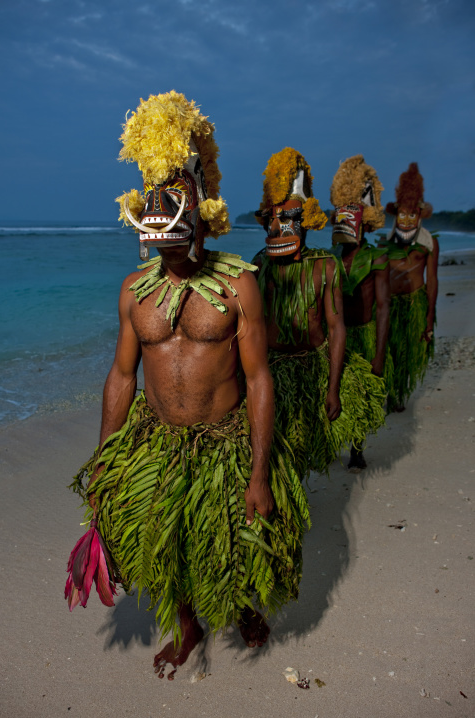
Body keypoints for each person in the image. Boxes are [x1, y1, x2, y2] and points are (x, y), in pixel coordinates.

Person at [68, 92, 309, 680]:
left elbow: (258, 378)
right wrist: (105, 459)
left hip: (224, 441)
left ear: (204, 211)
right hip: (157, 444)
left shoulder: (239, 287)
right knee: (170, 548)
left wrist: (257, 473)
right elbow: (122, 376)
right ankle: (189, 625)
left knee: (235, 541)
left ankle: (243, 606)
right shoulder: (133, 291)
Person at [253, 148, 386, 479]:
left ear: (306, 223)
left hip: (312, 365)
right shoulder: (259, 265)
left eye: (287, 220)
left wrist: (332, 386)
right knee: (274, 451)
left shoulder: (325, 266)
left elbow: (336, 327)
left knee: (301, 451)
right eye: (272, 219)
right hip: (271, 371)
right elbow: (249, 327)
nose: (278, 227)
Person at [330, 155, 391, 471]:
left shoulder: (378, 259)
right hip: (338, 336)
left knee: (363, 394)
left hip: (364, 334)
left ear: (364, 223)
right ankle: (335, 442)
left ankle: (357, 448)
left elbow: (383, 308)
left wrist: (379, 354)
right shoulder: (330, 259)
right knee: (338, 391)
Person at [380, 163, 439, 411]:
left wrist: (428, 316)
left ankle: (400, 392)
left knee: (408, 350)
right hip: (391, 304)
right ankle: (389, 391)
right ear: (396, 215)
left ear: (419, 215)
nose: (405, 219)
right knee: (389, 348)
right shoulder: (385, 244)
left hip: (416, 302)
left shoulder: (429, 244)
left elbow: (433, 280)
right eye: (401, 214)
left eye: (411, 214)